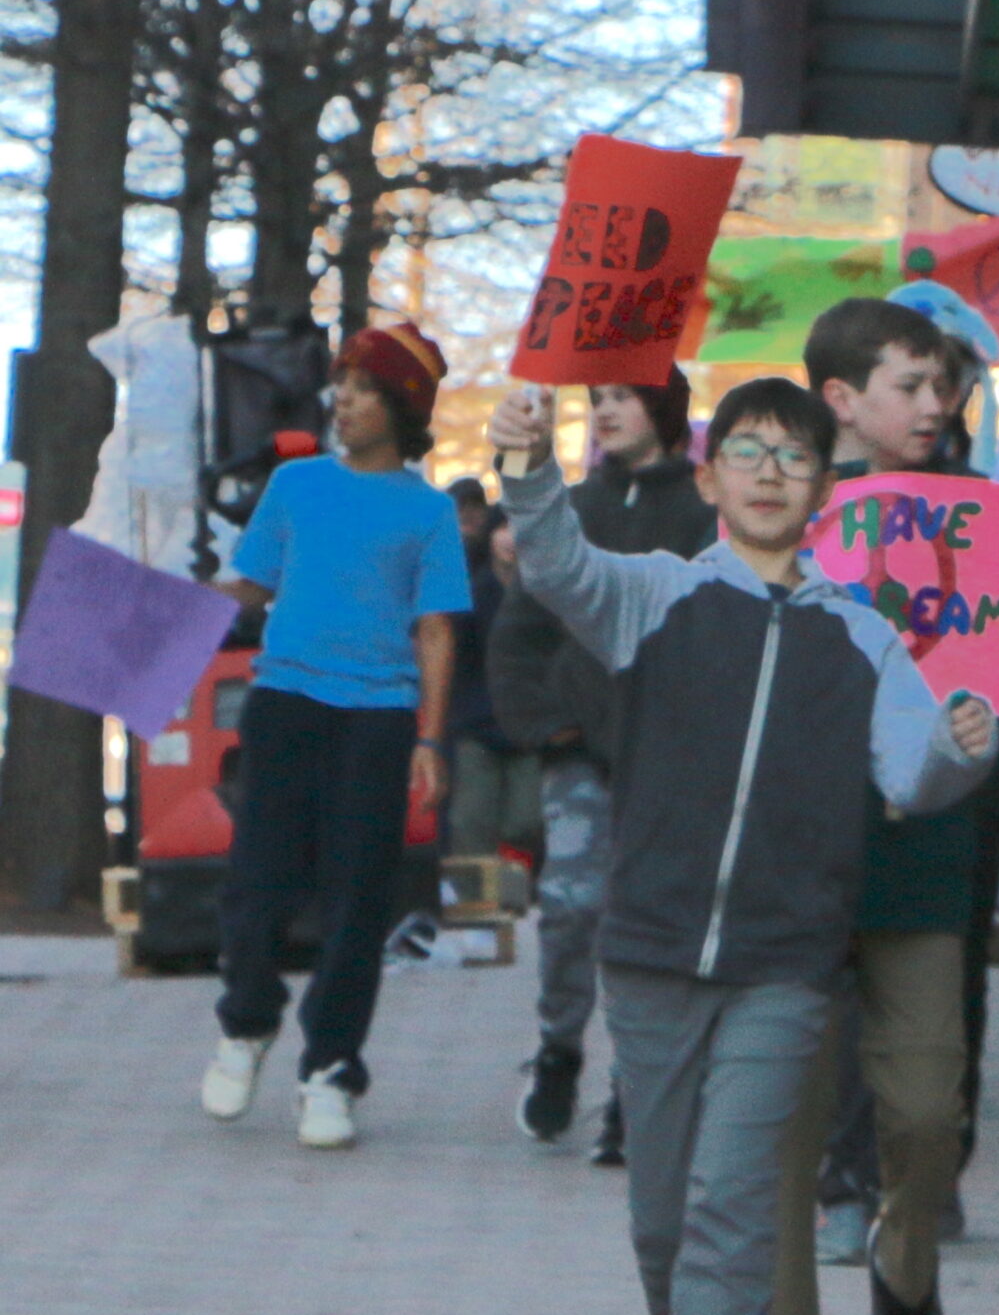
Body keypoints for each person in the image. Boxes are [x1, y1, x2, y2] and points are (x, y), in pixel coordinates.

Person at [489, 374, 996, 1315]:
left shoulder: (861, 635)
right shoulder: (656, 599)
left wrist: (965, 748)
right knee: (662, 1218)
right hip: (654, 952)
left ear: (825, 491)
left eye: (796, 457)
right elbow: (559, 564)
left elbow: (914, 778)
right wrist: (527, 462)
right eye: (750, 452)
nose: (771, 473)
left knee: (729, 1201)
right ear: (711, 478)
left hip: (783, 962)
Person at [746, 298, 986, 1315]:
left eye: (942, 385)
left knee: (925, 1107)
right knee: (785, 1115)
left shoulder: (988, 524)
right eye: (910, 384)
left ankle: (906, 1273)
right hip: (794, 850)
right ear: (840, 401)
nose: (935, 407)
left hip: (925, 851)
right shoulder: (778, 515)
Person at [198, 321, 469, 1149]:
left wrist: (429, 739)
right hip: (284, 704)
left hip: (378, 722)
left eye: (360, 389)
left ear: (400, 407)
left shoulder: (428, 513)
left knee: (357, 901)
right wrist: (168, 608)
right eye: (340, 386)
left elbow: (435, 632)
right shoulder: (296, 486)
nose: (341, 401)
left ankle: (331, 1071)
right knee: (256, 885)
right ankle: (247, 1023)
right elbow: (250, 584)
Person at [488, 373, 717, 1152]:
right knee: (573, 903)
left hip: (675, 761)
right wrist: (547, 725)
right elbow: (520, 631)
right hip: (582, 753)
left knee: (654, 922)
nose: (608, 411)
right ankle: (558, 1049)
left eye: (625, 396)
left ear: (665, 410)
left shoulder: (705, 513)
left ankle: (634, 1085)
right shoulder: (575, 510)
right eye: (598, 401)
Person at [444, 493, 542, 864]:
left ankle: (514, 901)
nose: (512, 538)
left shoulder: (547, 594)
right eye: (503, 526)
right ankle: (472, 912)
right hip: (475, 727)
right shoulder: (470, 595)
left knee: (527, 822)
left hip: (530, 729)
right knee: (470, 822)